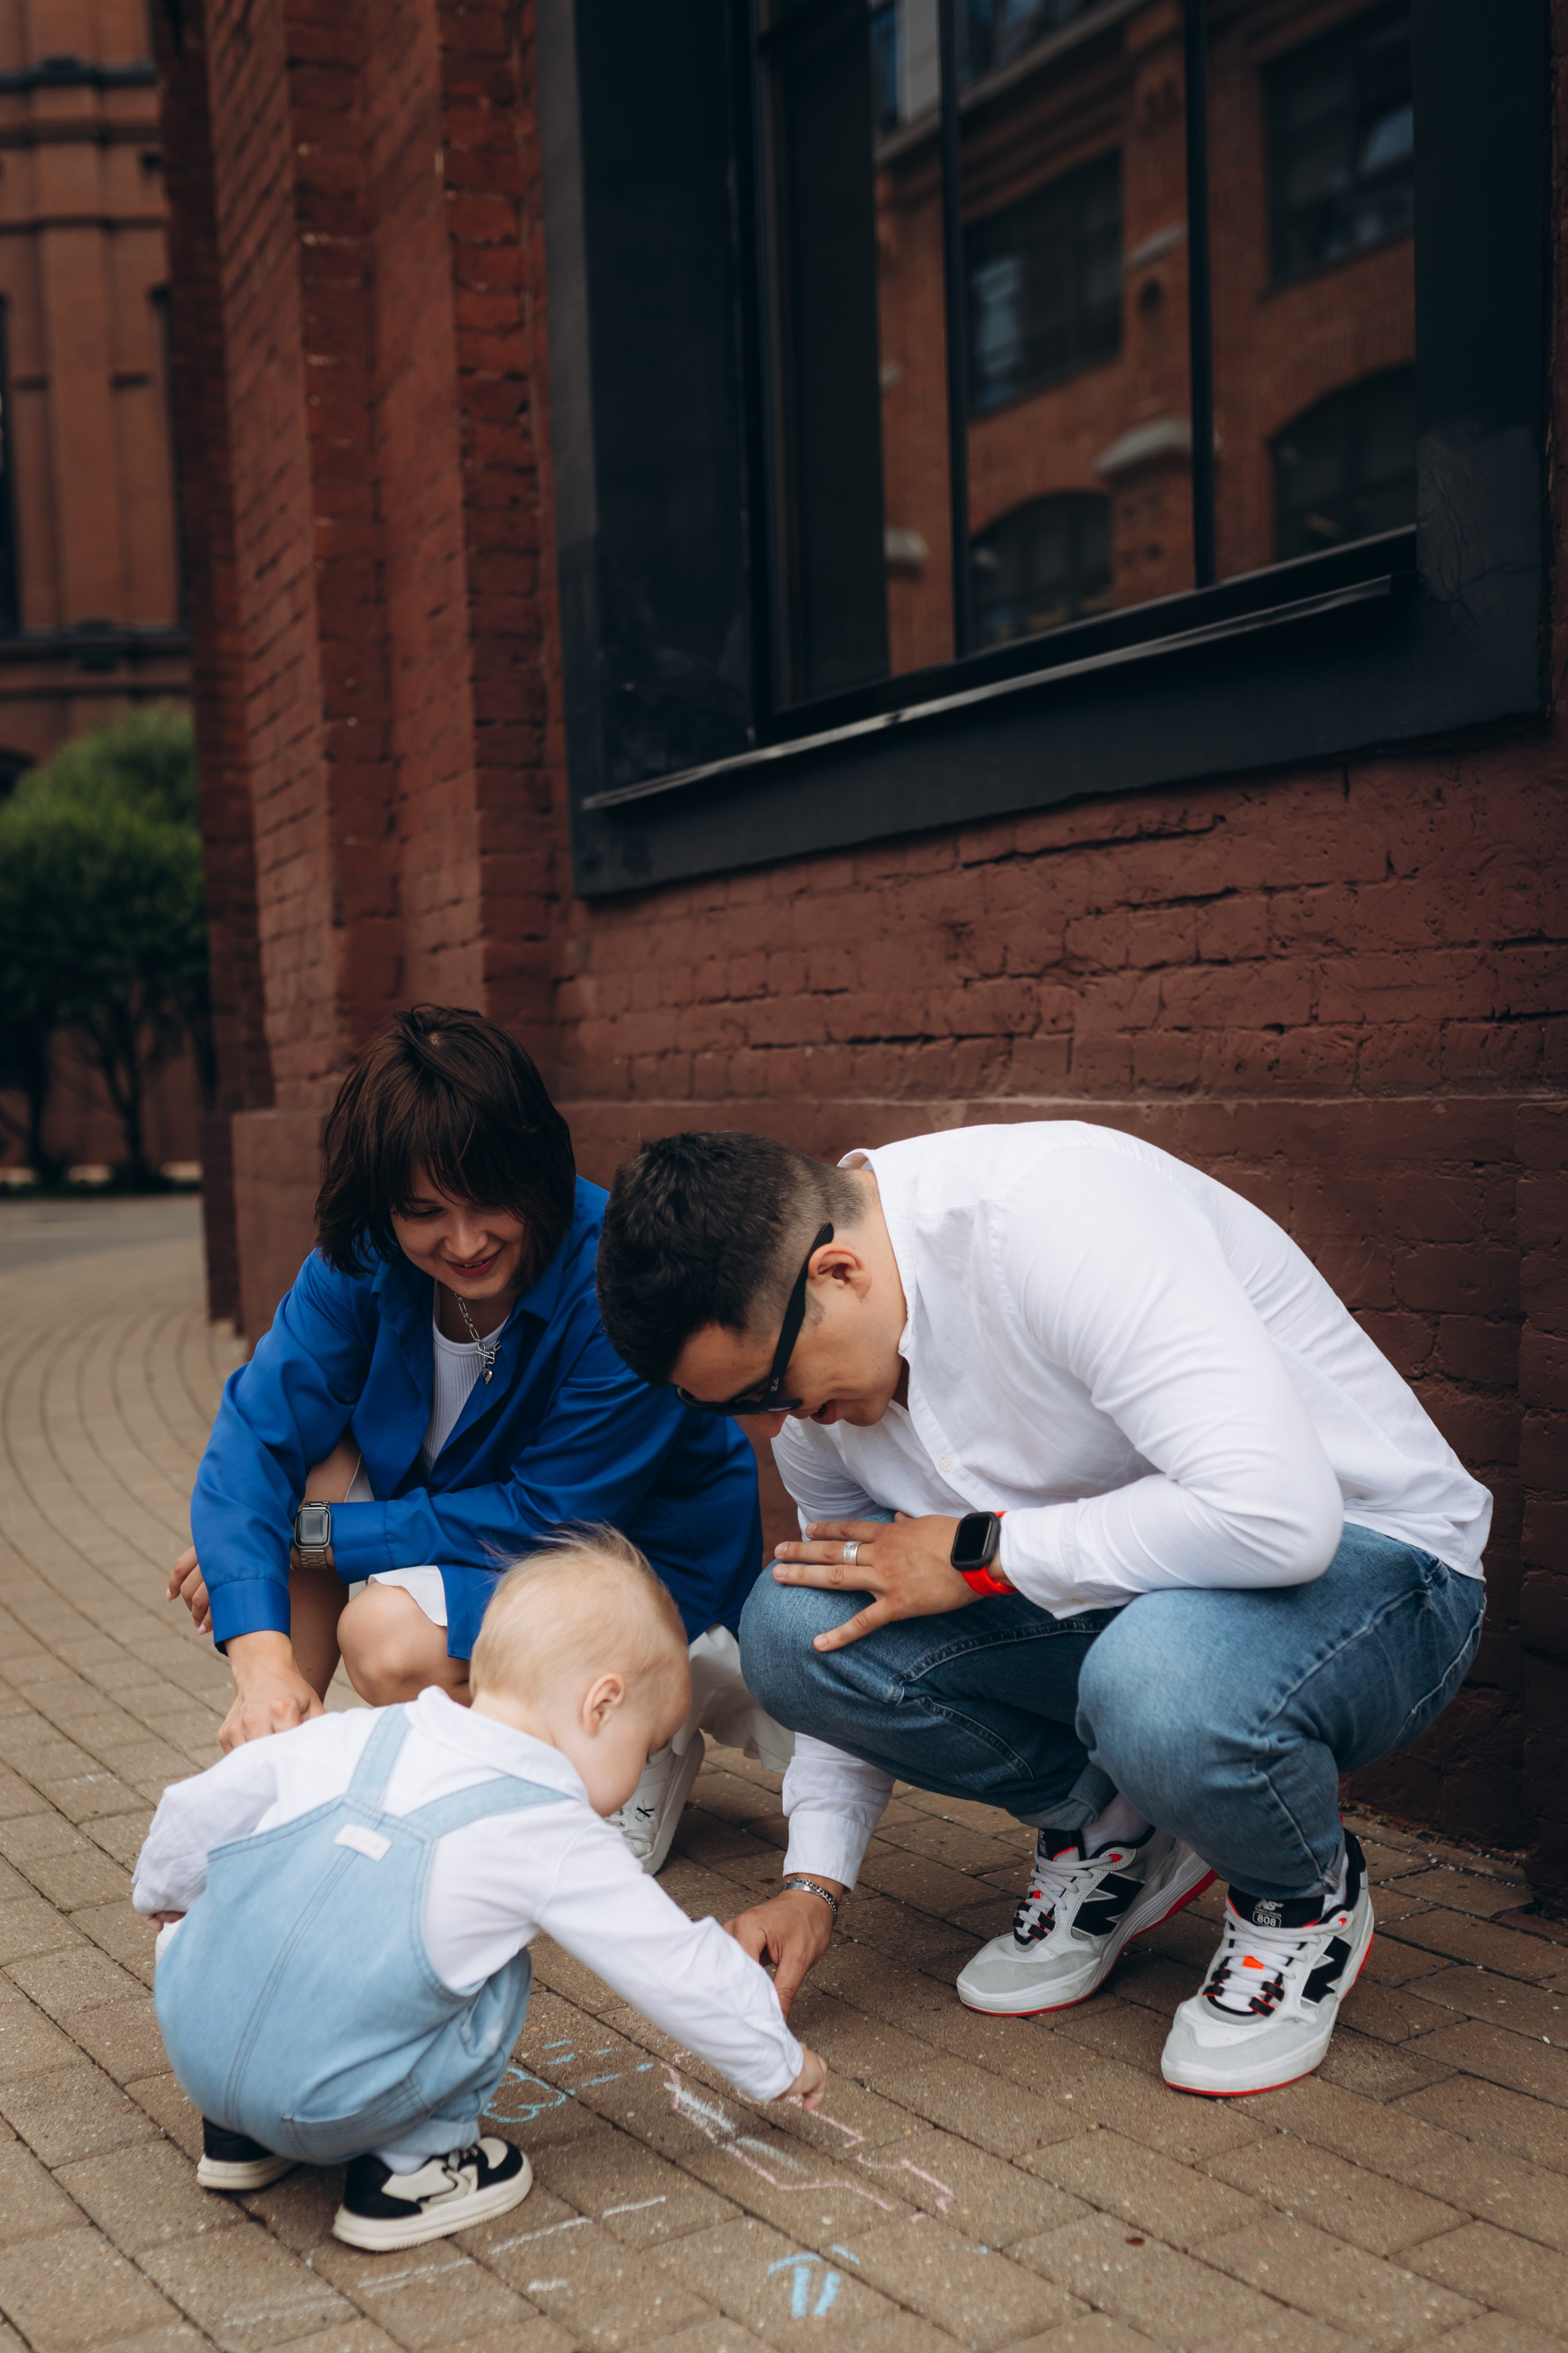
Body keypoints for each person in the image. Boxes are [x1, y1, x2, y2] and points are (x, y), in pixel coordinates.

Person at [594, 1123, 1491, 2099]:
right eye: (737, 1408)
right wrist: (815, 1883)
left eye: (772, 1388)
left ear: (838, 1271)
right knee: (790, 1626)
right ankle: (1118, 1828)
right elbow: (853, 1621)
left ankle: (1301, 1895)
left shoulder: (1050, 1219)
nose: (780, 1421)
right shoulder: (821, 1401)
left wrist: (981, 1553)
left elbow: (1281, 1518)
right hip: (1155, 1606)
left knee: (1149, 1676)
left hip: (1384, 1569)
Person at [168, 1007, 788, 1870]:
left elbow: (549, 1514)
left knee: (383, 1635)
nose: (463, 1243)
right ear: (386, 1206)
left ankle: (636, 1731)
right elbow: (252, 1435)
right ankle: (274, 1783)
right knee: (300, 1475)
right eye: (425, 1212)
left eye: (490, 1201)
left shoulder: (616, 1275)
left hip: (630, 1561)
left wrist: (308, 1536)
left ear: (535, 1165)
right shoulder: (367, 1255)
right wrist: (261, 1654)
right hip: (474, 1525)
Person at [137, 1533, 826, 2253]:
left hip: (200, 2048)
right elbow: (669, 1961)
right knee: (500, 1971)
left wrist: (167, 1892)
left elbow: (198, 1806)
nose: (640, 1771)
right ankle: (412, 2172)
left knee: (259, 1901)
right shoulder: (547, 1824)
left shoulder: (362, 1730)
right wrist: (775, 2058)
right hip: (327, 2100)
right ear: (601, 1704)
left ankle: (241, 2138)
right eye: (647, 1745)